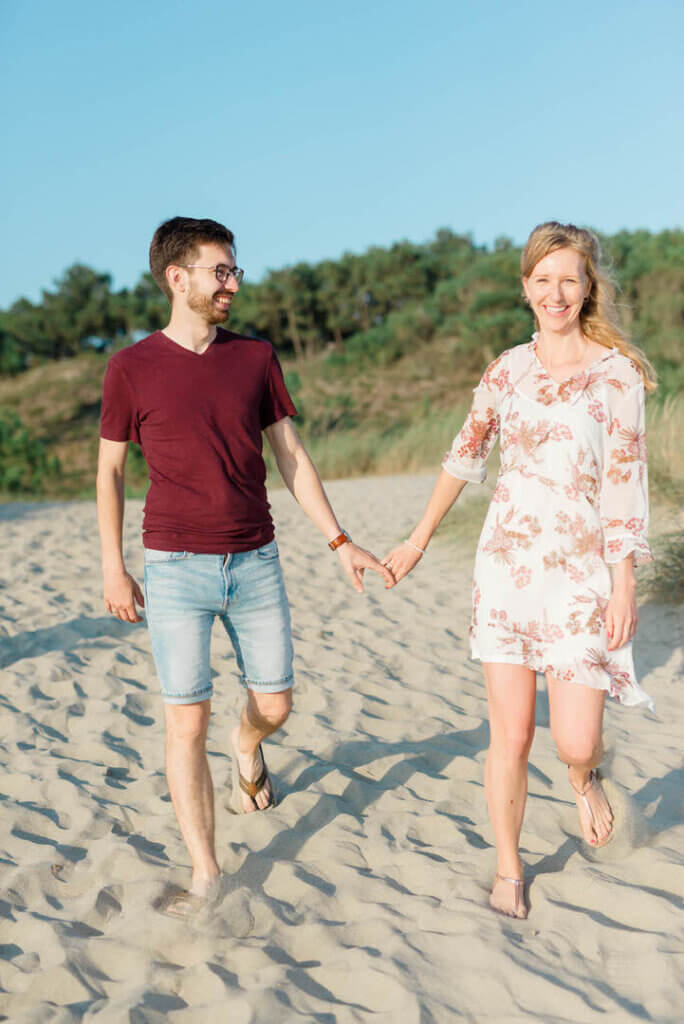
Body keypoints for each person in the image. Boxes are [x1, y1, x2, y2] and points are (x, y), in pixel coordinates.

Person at [97, 216, 393, 910]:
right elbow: (110, 473)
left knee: (277, 704)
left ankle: (248, 743)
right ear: (178, 278)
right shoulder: (131, 368)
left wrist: (339, 539)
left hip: (255, 561)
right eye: (220, 270)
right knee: (183, 724)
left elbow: (289, 455)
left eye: (234, 269)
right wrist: (114, 567)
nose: (234, 281)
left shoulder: (255, 358)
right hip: (173, 566)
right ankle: (207, 871)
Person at [383, 221, 656, 919]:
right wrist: (416, 540)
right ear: (525, 288)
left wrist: (624, 579)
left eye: (569, 278)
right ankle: (509, 868)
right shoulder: (507, 370)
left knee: (575, 739)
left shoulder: (616, 374)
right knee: (510, 735)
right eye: (543, 280)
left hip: (580, 577)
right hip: (505, 572)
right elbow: (462, 456)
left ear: (589, 285)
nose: (556, 293)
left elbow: (625, 480)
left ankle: (584, 778)